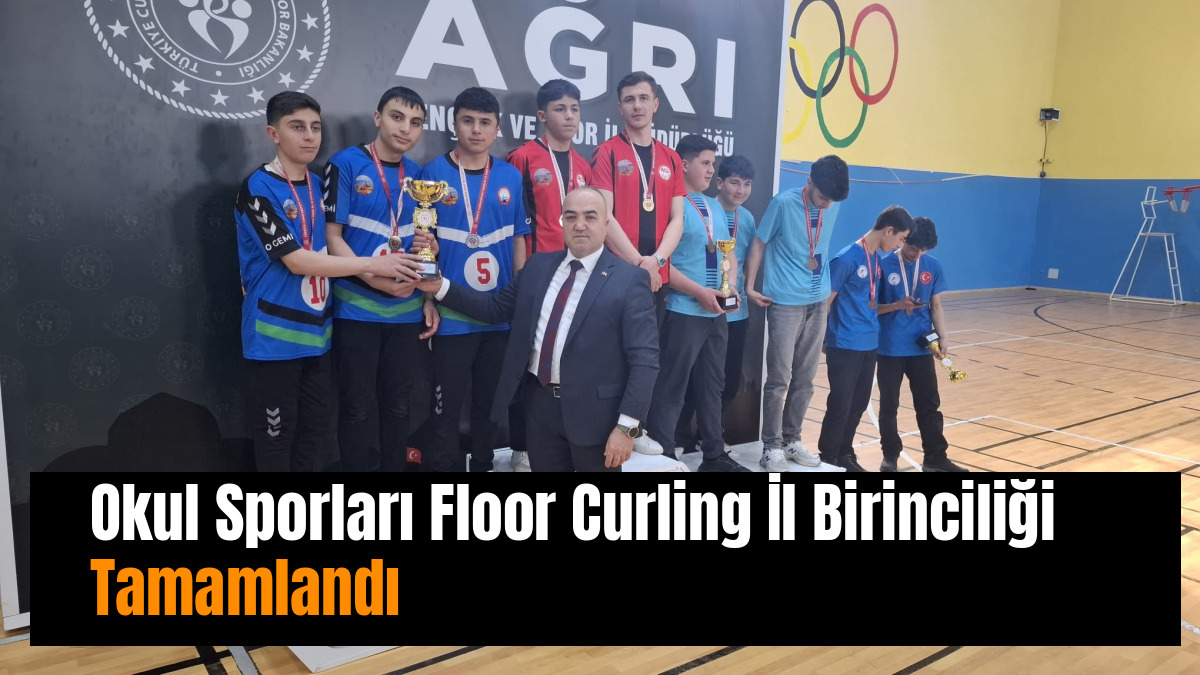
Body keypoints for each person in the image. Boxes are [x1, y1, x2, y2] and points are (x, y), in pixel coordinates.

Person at [233, 91, 422, 471]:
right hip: (274, 337)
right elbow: (296, 261)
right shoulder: (257, 188)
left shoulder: (320, 185)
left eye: (315, 128)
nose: (309, 136)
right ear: (273, 133)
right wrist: (376, 267)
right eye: (297, 127)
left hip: (319, 336)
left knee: (313, 435)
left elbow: (336, 241)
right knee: (276, 439)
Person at [418, 187, 659, 471]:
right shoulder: (537, 267)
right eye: (571, 217)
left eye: (590, 217)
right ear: (562, 222)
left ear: (606, 224)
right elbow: (494, 309)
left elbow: (644, 360)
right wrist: (440, 286)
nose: (580, 225)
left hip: (596, 419)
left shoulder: (630, 280)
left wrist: (627, 428)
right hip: (539, 411)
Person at [323, 86, 438, 472]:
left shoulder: (419, 178)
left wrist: (427, 284)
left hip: (405, 310)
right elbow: (332, 238)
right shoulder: (345, 164)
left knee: (399, 406)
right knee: (356, 408)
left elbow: (424, 245)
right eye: (397, 117)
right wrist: (374, 278)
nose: (406, 128)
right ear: (377, 117)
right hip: (356, 308)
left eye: (416, 122)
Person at [417, 87, 530, 472]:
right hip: (452, 312)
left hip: (498, 315)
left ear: (497, 129)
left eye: (485, 123)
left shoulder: (510, 176)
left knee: (490, 404)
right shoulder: (432, 174)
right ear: (454, 125)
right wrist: (428, 299)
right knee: (445, 407)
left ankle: (482, 466)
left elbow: (519, 240)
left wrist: (519, 295)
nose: (476, 130)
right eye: (468, 121)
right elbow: (424, 243)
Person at [503, 79, 594, 471]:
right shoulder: (522, 157)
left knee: (560, 360)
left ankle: (562, 438)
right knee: (525, 363)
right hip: (535, 275)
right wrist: (522, 276)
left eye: (574, 108)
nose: (569, 116)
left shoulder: (584, 165)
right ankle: (520, 446)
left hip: (573, 279)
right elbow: (514, 224)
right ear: (542, 115)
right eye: (560, 109)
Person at [643, 135, 748, 472]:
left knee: (712, 385)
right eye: (705, 163)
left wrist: (730, 287)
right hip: (683, 311)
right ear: (684, 165)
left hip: (715, 312)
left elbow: (728, 253)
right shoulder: (671, 206)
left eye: (713, 164)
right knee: (671, 387)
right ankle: (664, 456)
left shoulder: (715, 207)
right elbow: (662, 264)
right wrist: (699, 292)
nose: (712, 170)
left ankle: (713, 455)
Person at [744, 155, 849, 472]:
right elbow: (760, 243)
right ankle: (771, 446)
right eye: (822, 197)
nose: (827, 205)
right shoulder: (782, 204)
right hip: (785, 303)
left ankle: (792, 439)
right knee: (779, 379)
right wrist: (750, 285)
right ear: (809, 182)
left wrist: (826, 300)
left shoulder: (832, 204)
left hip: (818, 302)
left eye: (832, 201)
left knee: (806, 379)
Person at [818, 206, 914, 472]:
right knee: (840, 402)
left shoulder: (875, 260)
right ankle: (828, 457)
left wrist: (895, 306)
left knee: (859, 403)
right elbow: (826, 302)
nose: (900, 245)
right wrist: (823, 337)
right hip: (845, 343)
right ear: (889, 230)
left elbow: (870, 304)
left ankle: (844, 452)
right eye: (901, 238)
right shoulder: (846, 258)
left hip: (870, 343)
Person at [676, 154, 757, 453]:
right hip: (701, 309)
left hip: (735, 312)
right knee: (690, 384)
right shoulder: (702, 208)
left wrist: (745, 288)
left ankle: (708, 434)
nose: (740, 190)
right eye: (734, 183)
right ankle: (680, 438)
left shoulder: (747, 219)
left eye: (746, 184)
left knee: (728, 383)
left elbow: (743, 257)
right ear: (719, 183)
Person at [876, 217, 968, 472]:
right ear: (904, 239)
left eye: (923, 250)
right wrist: (896, 306)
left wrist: (943, 337)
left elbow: (936, 306)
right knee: (889, 406)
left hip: (920, 347)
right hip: (889, 348)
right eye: (913, 248)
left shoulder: (932, 265)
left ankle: (935, 458)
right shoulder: (883, 264)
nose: (917, 254)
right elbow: (872, 308)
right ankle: (890, 455)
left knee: (929, 404)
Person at [590, 71, 686, 312]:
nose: (637, 106)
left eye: (644, 98)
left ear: (655, 104)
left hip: (659, 274)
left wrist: (656, 261)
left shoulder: (671, 158)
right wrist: (640, 264)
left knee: (652, 338)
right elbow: (604, 217)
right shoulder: (607, 152)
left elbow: (677, 219)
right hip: (616, 272)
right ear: (620, 108)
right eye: (629, 100)